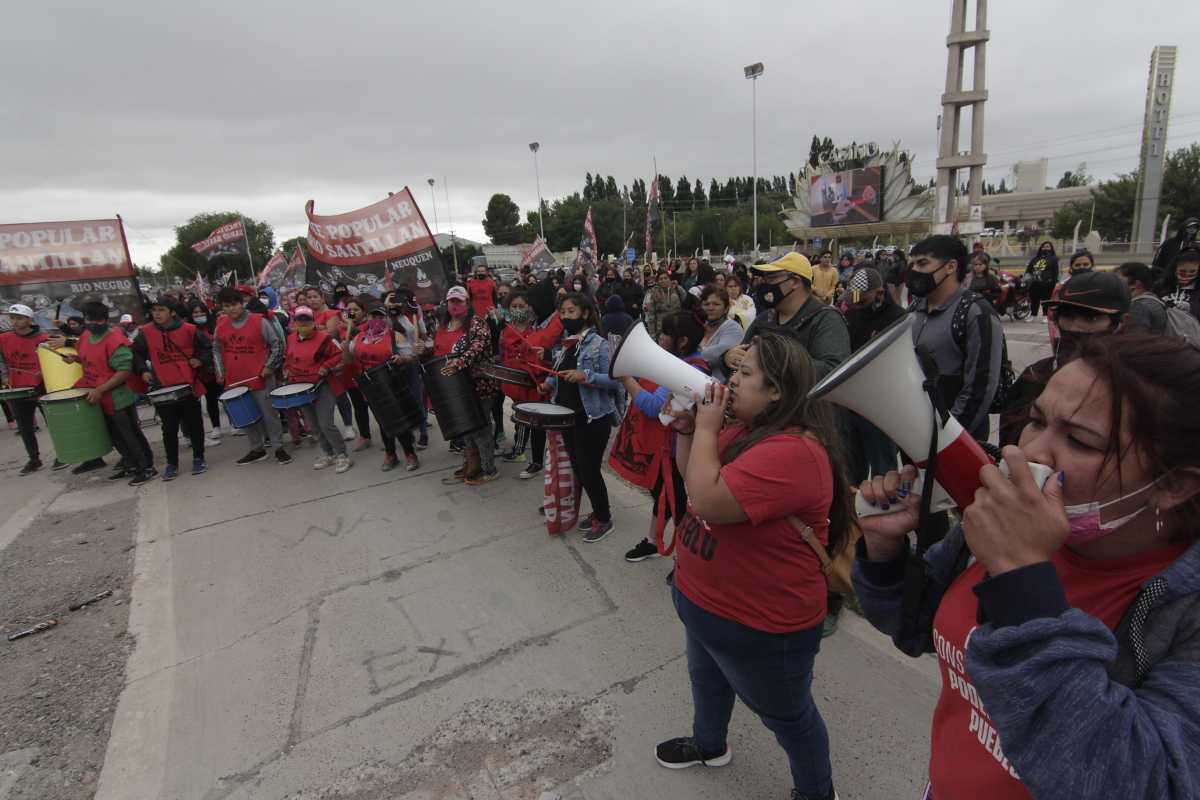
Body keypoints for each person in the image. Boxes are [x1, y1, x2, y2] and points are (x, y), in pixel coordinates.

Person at [854, 331, 1200, 799]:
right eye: (1035, 420)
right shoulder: (1010, 524)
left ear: (1174, 484)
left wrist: (1022, 584)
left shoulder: (1183, 609)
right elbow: (918, 629)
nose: (1027, 452)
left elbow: (1141, 782)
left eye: (1079, 440)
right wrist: (884, 554)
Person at [655, 330, 850, 800]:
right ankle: (709, 744)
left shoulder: (795, 451)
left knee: (790, 718)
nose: (731, 380)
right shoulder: (746, 428)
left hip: (763, 626)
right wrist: (688, 434)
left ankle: (816, 792)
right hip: (706, 605)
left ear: (778, 391)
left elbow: (708, 499)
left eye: (744, 373)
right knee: (706, 681)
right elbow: (692, 477)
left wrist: (704, 428)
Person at [999, 270, 1130, 447]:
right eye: (1067, 314)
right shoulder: (1034, 375)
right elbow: (1009, 442)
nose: (1075, 326)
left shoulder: (1135, 384)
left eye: (1090, 317)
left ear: (1122, 322)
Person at [618, 311, 708, 564]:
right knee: (663, 496)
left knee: (679, 503)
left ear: (682, 341)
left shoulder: (689, 368)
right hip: (671, 449)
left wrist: (625, 378)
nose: (661, 338)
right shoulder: (682, 361)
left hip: (682, 453)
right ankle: (653, 541)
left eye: (667, 333)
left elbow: (653, 406)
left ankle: (684, 559)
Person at [539, 293, 623, 541]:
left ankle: (605, 518)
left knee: (589, 471)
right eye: (562, 312)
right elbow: (556, 373)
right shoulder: (566, 344)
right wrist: (547, 385)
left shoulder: (600, 344)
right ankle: (598, 511)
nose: (565, 317)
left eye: (571, 311)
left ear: (585, 313)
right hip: (566, 417)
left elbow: (615, 381)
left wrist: (586, 376)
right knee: (579, 469)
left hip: (593, 418)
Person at [906, 235, 1005, 441]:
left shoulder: (976, 313)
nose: (914, 270)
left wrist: (949, 435)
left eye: (922, 263)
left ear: (951, 266)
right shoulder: (915, 309)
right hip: (917, 431)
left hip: (956, 438)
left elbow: (980, 386)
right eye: (912, 264)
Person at [52, 301, 156, 485]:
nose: (93, 323)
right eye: (89, 319)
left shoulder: (115, 340)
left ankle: (146, 467)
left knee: (130, 434)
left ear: (106, 320)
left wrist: (100, 389)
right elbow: (90, 361)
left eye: (98, 320)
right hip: (95, 395)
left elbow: (123, 371)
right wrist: (74, 359)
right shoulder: (85, 337)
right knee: (114, 435)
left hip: (117, 398)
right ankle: (130, 464)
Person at [725, 252, 851, 381]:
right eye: (763, 278)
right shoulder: (766, 317)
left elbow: (834, 371)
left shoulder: (826, 320)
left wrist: (772, 360)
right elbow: (742, 353)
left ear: (795, 281)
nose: (763, 283)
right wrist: (729, 357)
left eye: (771, 278)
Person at [212, 287, 293, 466]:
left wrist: (269, 367)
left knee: (269, 414)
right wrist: (220, 370)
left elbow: (277, 344)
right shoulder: (221, 325)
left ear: (242, 304)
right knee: (245, 415)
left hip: (260, 377)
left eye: (234, 304)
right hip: (235, 379)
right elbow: (216, 349)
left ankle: (279, 447)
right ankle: (257, 448)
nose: (231, 309)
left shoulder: (259, 321)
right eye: (226, 306)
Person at [133, 295, 210, 479]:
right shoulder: (145, 332)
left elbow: (207, 348)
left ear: (172, 312)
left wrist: (199, 360)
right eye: (154, 310)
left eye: (161, 310)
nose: (157, 314)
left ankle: (199, 458)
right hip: (162, 387)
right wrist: (143, 369)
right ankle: (172, 463)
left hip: (187, 385)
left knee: (194, 424)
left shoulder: (190, 330)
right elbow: (136, 353)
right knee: (168, 428)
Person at [842, 267, 905, 484]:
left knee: (883, 471)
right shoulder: (851, 313)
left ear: (879, 293)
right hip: (851, 403)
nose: (856, 304)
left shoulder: (897, 318)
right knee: (851, 470)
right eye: (853, 299)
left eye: (861, 299)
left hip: (880, 408)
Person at [434, 285, 499, 485]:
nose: (454, 305)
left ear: (467, 302)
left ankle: (489, 468)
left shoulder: (477, 323)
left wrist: (459, 363)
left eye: (458, 301)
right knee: (466, 428)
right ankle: (472, 464)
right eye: (451, 301)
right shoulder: (444, 324)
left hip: (480, 384)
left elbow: (477, 346)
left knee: (481, 428)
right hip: (456, 386)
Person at [498, 289, 561, 477]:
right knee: (521, 418)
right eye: (514, 306)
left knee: (536, 423)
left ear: (529, 307)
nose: (517, 309)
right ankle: (520, 450)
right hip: (515, 383)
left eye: (521, 306)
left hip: (537, 383)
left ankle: (536, 461)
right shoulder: (503, 331)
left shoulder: (539, 328)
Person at [285, 306, 352, 473]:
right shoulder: (291, 338)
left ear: (313, 321)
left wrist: (326, 366)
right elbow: (288, 358)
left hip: (323, 385)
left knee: (325, 423)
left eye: (306, 320)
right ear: (295, 322)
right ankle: (328, 453)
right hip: (301, 387)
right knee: (313, 425)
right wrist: (286, 369)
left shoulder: (324, 338)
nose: (303, 323)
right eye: (299, 320)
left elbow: (337, 355)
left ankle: (342, 455)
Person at [0, 304, 50, 474]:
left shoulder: (43, 337)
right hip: (17, 387)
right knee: (25, 427)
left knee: (53, 423)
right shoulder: (4, 338)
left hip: (41, 386)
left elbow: (51, 360)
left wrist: (43, 373)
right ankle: (34, 459)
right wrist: (4, 375)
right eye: (12, 318)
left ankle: (62, 455)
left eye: (19, 318)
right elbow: (1, 359)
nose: (15, 321)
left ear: (29, 319)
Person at [305, 286, 356, 441]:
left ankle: (348, 426)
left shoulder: (336, 311)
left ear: (322, 297)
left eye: (315, 296)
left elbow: (334, 331)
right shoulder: (305, 315)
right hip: (314, 362)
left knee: (340, 393)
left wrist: (313, 331)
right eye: (309, 297)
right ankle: (322, 428)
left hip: (335, 358)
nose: (312, 300)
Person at [189, 302, 225, 447]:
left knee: (222, 396)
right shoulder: (190, 330)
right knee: (210, 400)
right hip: (200, 371)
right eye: (195, 313)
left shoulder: (214, 326)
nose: (198, 315)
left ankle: (235, 423)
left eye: (201, 312)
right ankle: (216, 426)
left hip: (216, 368)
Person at [696, 285, 743, 383]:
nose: (710, 308)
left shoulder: (733, 328)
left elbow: (715, 355)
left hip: (719, 387)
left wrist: (693, 356)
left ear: (726, 308)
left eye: (716, 304)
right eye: (706, 304)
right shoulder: (699, 326)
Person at [1119, 261, 1168, 334]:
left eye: (1120, 280)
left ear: (1137, 284)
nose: (1116, 283)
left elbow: (1136, 339)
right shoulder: (1153, 299)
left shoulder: (1138, 305)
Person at [1151, 215, 1198, 283]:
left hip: (1189, 281)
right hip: (1167, 280)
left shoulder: (1195, 246)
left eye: (1195, 228)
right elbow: (1157, 263)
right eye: (1189, 228)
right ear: (1184, 228)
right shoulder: (1169, 244)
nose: (1192, 230)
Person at [1156, 247, 1200, 319]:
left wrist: (1191, 307)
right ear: (1174, 269)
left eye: (1192, 272)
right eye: (1182, 271)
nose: (1187, 275)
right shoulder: (1160, 286)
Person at [645, 269, 684, 340]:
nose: (663, 280)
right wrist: (652, 335)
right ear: (657, 281)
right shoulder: (654, 293)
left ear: (669, 279)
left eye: (665, 278)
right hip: (661, 331)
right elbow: (651, 316)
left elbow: (685, 303)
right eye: (660, 279)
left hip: (676, 329)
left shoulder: (677, 289)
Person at [1025, 241, 1059, 317]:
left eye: (1047, 247)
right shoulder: (1035, 259)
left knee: (1046, 300)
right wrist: (1026, 278)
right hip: (1034, 283)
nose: (1045, 248)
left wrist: (1053, 282)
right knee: (1034, 300)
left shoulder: (1053, 259)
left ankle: (1045, 316)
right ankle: (1033, 315)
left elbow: (1055, 271)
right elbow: (1029, 269)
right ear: (1041, 248)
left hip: (1047, 284)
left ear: (1051, 248)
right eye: (1044, 246)